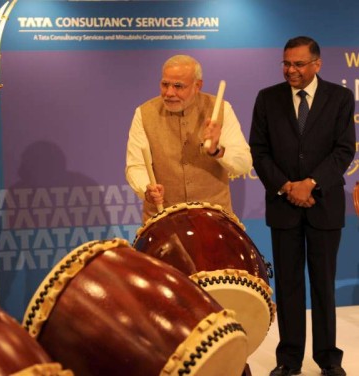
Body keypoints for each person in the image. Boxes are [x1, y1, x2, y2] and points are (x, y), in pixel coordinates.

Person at [249, 36, 355, 376]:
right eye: (286, 63)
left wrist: (310, 183)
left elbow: (343, 150)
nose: (290, 70)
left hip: (324, 203)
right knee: (290, 286)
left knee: (323, 284)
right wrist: (286, 187)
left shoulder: (340, 98)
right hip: (283, 207)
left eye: (297, 64)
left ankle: (329, 360)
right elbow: (259, 151)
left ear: (317, 65)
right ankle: (288, 360)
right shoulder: (267, 98)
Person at [126, 54, 252, 222]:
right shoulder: (144, 113)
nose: (169, 92)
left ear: (197, 86)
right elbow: (136, 166)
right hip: (163, 221)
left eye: (178, 86)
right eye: (165, 84)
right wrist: (146, 189)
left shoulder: (221, 109)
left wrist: (217, 151)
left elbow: (243, 165)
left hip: (215, 221)